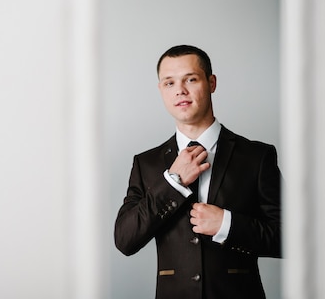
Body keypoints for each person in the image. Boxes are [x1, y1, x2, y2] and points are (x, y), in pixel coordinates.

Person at [114, 45, 282, 299]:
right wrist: (173, 182)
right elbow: (125, 239)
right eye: (169, 83)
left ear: (211, 82)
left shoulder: (257, 157)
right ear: (161, 90)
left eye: (190, 79)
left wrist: (226, 224)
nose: (180, 90)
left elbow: (291, 237)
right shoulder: (145, 163)